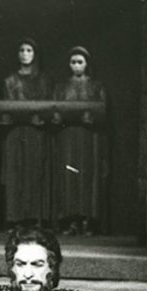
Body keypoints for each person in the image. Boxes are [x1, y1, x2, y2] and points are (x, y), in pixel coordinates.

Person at [52, 46, 107, 236]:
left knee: (87, 176)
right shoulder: (61, 88)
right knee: (69, 177)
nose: (76, 66)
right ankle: (70, 219)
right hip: (68, 137)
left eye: (80, 62)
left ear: (86, 64)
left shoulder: (96, 87)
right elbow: (55, 110)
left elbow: (102, 111)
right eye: (73, 62)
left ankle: (87, 219)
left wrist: (92, 118)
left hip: (89, 138)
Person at [0, 38, 53, 226]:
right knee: (16, 172)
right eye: (21, 50)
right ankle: (16, 218)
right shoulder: (10, 81)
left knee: (35, 172)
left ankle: (36, 217)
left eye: (29, 50)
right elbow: (8, 106)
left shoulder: (43, 80)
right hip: (16, 131)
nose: (24, 54)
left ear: (35, 54)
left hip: (36, 131)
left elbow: (47, 105)